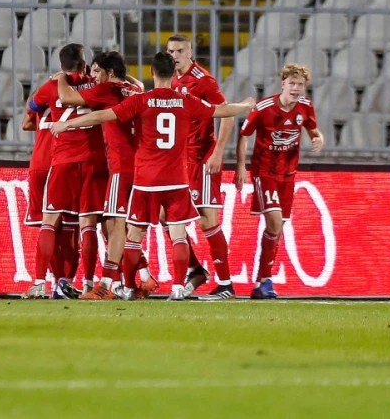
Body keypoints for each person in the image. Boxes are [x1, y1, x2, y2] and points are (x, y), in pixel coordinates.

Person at [52, 52, 254, 300]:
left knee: (129, 232)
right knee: (176, 231)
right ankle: (176, 286)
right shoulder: (182, 99)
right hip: (176, 179)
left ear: (152, 72)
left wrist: (67, 124)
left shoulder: (142, 100)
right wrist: (245, 105)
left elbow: (101, 115)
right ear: (173, 73)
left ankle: (120, 285)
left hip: (144, 179)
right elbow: (221, 110)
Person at [54, 51, 158, 300]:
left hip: (121, 167)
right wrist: (123, 74)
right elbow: (137, 82)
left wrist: (61, 78)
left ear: (109, 73)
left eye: (97, 71)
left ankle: (106, 285)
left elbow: (66, 97)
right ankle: (140, 279)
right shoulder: (134, 90)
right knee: (124, 226)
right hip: (142, 166)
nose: (93, 76)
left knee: (114, 225)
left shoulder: (106, 90)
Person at [24, 43, 108, 299]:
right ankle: (87, 283)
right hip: (94, 162)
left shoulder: (52, 87)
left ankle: (39, 283)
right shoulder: (97, 85)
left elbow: (31, 110)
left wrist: (56, 82)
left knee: (49, 222)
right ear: (84, 65)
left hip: (61, 161)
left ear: (61, 66)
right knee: (87, 224)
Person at [234, 63, 323, 299]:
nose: (296, 89)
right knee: (274, 222)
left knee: (277, 228)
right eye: (292, 83)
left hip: (288, 175)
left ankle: (262, 281)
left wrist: (318, 138)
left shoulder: (305, 106)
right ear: (283, 84)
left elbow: (313, 129)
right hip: (265, 172)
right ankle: (264, 280)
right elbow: (244, 136)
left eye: (300, 85)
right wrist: (241, 166)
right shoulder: (264, 108)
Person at [167, 34, 236, 300]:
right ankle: (196, 270)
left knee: (207, 220)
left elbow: (227, 114)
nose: (174, 56)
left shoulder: (203, 80)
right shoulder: (173, 79)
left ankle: (226, 285)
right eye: (170, 51)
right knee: (166, 215)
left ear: (190, 52)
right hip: (180, 161)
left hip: (202, 158)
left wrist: (217, 153)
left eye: (179, 51)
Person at [20, 89, 78, 299]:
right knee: (71, 228)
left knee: (48, 226)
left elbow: (25, 124)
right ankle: (65, 283)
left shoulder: (43, 101)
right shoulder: (79, 95)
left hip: (38, 164)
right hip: (61, 163)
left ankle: (41, 282)